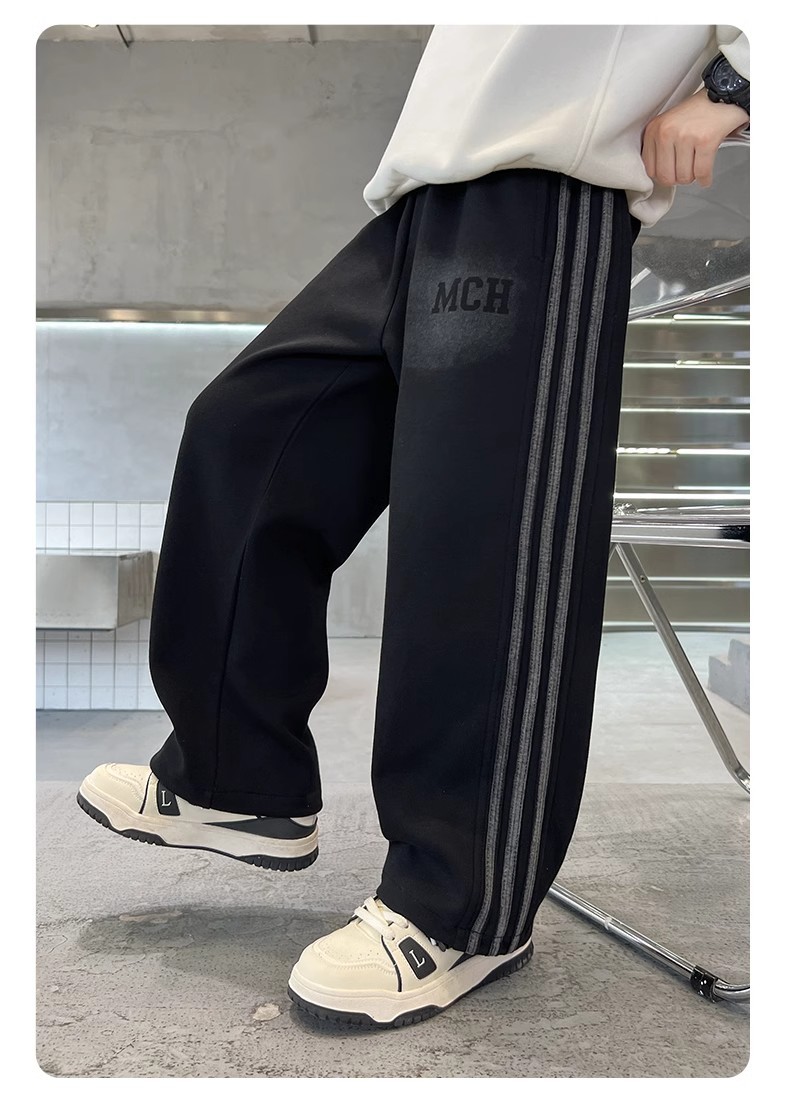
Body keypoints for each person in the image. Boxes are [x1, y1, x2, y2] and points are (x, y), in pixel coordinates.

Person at [77, 25, 749, 1029]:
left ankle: (461, 906)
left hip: (551, 182)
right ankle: (237, 777)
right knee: (245, 435)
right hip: (419, 195)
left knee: (474, 540)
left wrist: (737, 80)